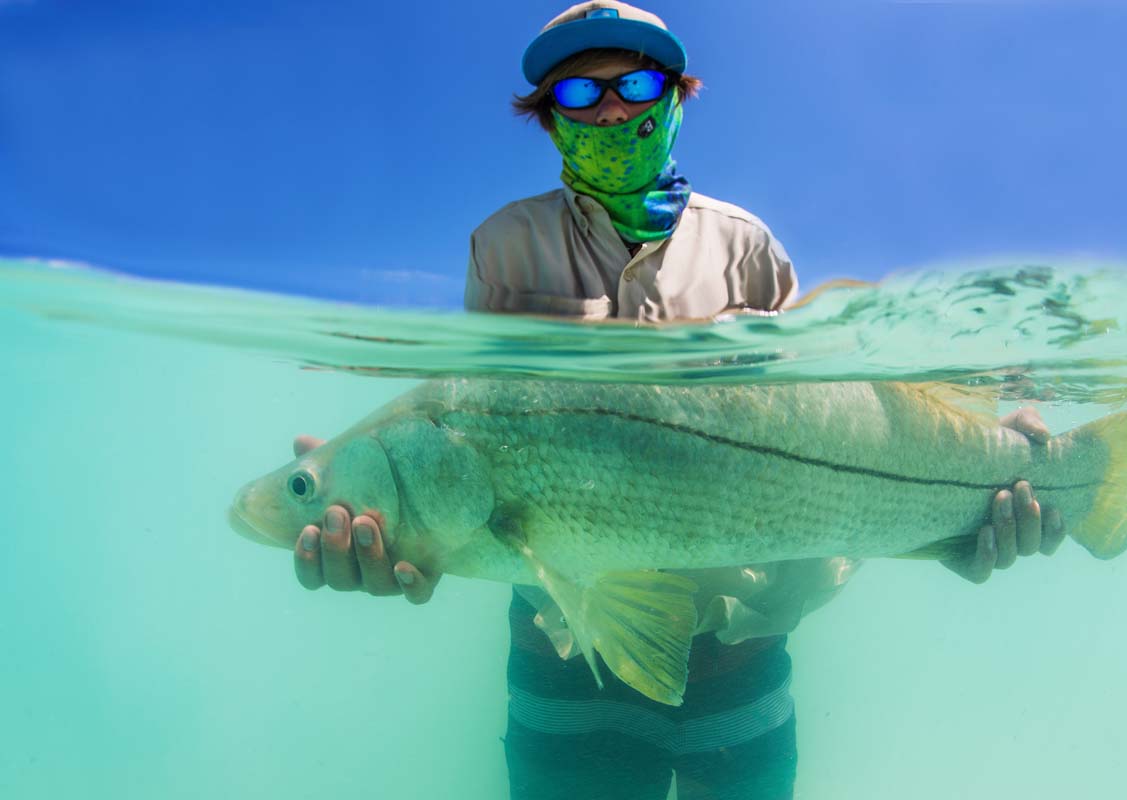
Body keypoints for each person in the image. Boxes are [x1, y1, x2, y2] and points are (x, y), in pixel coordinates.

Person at [291, 3, 1067, 798]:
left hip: (744, 648)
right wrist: (400, 513)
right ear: (549, 121)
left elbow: (834, 416)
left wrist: (977, 451)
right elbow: (480, 424)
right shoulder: (503, 247)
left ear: (675, 96)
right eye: (579, 95)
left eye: (635, 82)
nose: (614, 108)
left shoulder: (746, 244)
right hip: (565, 657)